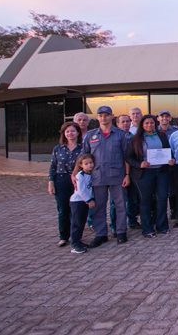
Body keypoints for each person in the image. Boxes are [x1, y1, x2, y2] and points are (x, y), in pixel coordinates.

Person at [82, 106, 131, 247]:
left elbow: (126, 157)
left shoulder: (121, 135)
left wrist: (127, 175)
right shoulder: (90, 135)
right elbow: (84, 157)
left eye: (106, 115)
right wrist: (77, 175)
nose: (103, 118)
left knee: (120, 205)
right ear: (97, 117)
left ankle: (121, 232)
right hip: (97, 176)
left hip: (117, 176)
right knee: (98, 206)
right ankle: (101, 234)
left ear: (112, 117)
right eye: (100, 115)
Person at [125, 114, 174, 237]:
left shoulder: (162, 136)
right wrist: (139, 164)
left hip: (161, 171)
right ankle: (147, 228)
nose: (149, 125)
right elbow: (128, 157)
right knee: (145, 200)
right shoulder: (136, 139)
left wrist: (171, 160)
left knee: (162, 198)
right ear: (142, 125)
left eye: (151, 123)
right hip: (144, 173)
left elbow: (168, 152)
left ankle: (162, 226)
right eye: (146, 123)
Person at [47, 121, 83, 247]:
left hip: (77, 181)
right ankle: (63, 236)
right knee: (63, 210)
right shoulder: (58, 148)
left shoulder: (83, 148)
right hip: (61, 180)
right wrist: (51, 182)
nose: (70, 133)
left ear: (78, 132)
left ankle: (75, 236)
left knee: (76, 209)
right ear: (64, 134)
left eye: (73, 131)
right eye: (67, 131)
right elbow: (53, 166)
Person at [69, 153, 96, 254]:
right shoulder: (80, 176)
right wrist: (89, 200)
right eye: (86, 163)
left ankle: (78, 241)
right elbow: (81, 190)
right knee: (77, 223)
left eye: (91, 162)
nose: (90, 165)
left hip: (84, 202)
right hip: (78, 202)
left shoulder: (91, 174)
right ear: (81, 165)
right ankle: (74, 244)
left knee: (81, 223)